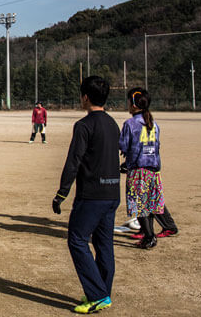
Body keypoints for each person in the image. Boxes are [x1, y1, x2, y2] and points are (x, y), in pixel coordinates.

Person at [52, 76, 120, 314]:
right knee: (104, 245)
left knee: (77, 240)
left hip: (92, 195)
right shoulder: (113, 124)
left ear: (86, 97)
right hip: (112, 194)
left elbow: (74, 161)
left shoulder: (84, 125)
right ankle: (103, 291)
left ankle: (99, 294)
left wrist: (62, 193)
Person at [119, 88, 175, 248]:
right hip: (153, 169)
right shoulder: (153, 123)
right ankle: (148, 233)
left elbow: (124, 145)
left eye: (129, 101)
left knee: (139, 203)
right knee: (150, 202)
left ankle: (149, 236)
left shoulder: (130, 124)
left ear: (134, 105)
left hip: (138, 169)